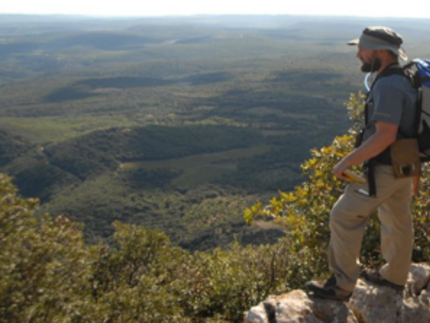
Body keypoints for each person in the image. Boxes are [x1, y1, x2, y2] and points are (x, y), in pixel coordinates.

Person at [306, 26, 418, 301]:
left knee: (343, 216)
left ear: (381, 52)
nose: (358, 54)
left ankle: (341, 286)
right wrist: (416, 174)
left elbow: (385, 135)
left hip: (384, 167)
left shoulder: (390, 85)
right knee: (397, 218)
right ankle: (395, 277)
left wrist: (345, 162)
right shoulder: (405, 78)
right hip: (405, 163)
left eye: (363, 49)